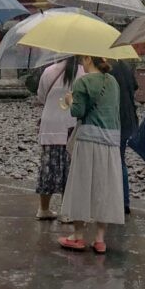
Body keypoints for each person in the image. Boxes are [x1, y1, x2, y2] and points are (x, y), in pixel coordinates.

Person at [58, 55, 123, 255]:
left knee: (82, 184)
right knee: (104, 186)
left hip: (88, 140)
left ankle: (78, 235)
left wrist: (70, 100)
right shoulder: (112, 81)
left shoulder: (82, 82)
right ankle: (100, 238)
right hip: (110, 140)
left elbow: (78, 111)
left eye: (82, 61)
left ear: (88, 59)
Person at [34, 56, 83, 220]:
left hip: (50, 124)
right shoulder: (84, 73)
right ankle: (67, 211)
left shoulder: (49, 71)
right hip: (71, 123)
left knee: (48, 167)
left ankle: (43, 208)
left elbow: (41, 97)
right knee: (70, 168)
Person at [110, 59, 139, 215]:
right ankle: (123, 200)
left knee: (115, 160)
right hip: (129, 118)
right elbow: (134, 87)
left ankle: (119, 200)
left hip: (115, 120)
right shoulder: (124, 65)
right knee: (120, 159)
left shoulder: (106, 69)